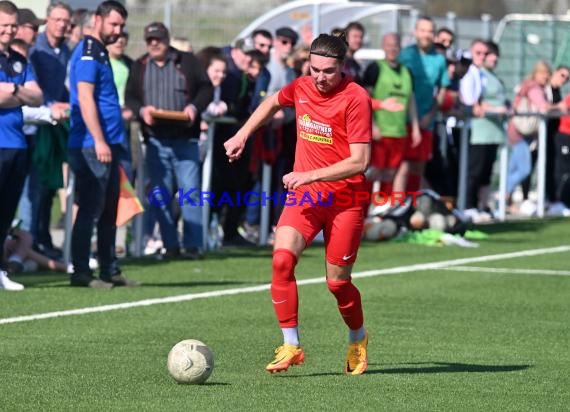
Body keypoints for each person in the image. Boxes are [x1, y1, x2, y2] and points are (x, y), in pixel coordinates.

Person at [224, 32, 371, 375]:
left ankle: (357, 337)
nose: (320, 77)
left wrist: (310, 175)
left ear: (342, 68)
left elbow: (359, 161)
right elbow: (272, 102)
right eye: (315, 69)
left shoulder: (356, 98)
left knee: (337, 283)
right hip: (306, 195)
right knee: (281, 261)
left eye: (328, 71)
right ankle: (291, 345)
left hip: (345, 199)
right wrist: (243, 134)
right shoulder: (302, 86)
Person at [125, 22, 212, 260]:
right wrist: (141, 110)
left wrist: (195, 107)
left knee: (190, 193)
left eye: (159, 39)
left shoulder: (188, 62)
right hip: (155, 140)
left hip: (185, 139)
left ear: (167, 40)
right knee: (160, 195)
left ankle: (193, 245)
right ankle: (170, 245)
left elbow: (206, 89)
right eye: (150, 40)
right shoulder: (140, 65)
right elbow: (130, 97)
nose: (154, 44)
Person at [68, 0, 138, 288]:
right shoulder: (87, 54)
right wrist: (98, 139)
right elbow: (85, 99)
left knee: (111, 208)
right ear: (97, 20)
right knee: (90, 208)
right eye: (113, 24)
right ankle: (82, 273)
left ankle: (110, 269)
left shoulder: (101, 53)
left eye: (121, 26)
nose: (118, 31)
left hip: (110, 143)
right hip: (91, 144)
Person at [0, 0, 43, 291]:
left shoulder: (18, 60)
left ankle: (0, 270)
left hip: (18, 143)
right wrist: (20, 92)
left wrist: (12, 90)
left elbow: (38, 97)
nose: (9, 30)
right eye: (4, 25)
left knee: (6, 213)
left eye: (13, 25)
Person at [362, 32, 420, 209]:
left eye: (395, 45)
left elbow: (411, 101)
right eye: (389, 44)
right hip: (381, 132)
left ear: (400, 47)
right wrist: (372, 125)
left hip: (400, 131)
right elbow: (364, 100)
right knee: (374, 171)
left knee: (392, 172)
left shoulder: (407, 71)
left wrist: (415, 127)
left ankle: (383, 209)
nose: (392, 48)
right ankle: (364, 209)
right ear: (383, 46)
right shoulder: (375, 69)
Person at [398, 15, 450, 194]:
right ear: (415, 32)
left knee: (418, 168)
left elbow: (442, 91)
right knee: (400, 166)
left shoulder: (439, 59)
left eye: (430, 31)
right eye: (423, 30)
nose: (426, 35)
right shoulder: (404, 55)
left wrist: (431, 114)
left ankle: (411, 206)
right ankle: (394, 206)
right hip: (401, 121)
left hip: (426, 122)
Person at [466, 41, 509, 216]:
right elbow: (475, 101)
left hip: (495, 132)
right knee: (475, 170)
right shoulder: (476, 74)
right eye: (490, 54)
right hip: (480, 131)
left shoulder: (494, 77)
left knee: (486, 173)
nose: (493, 58)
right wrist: (496, 110)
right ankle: (469, 205)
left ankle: (483, 206)